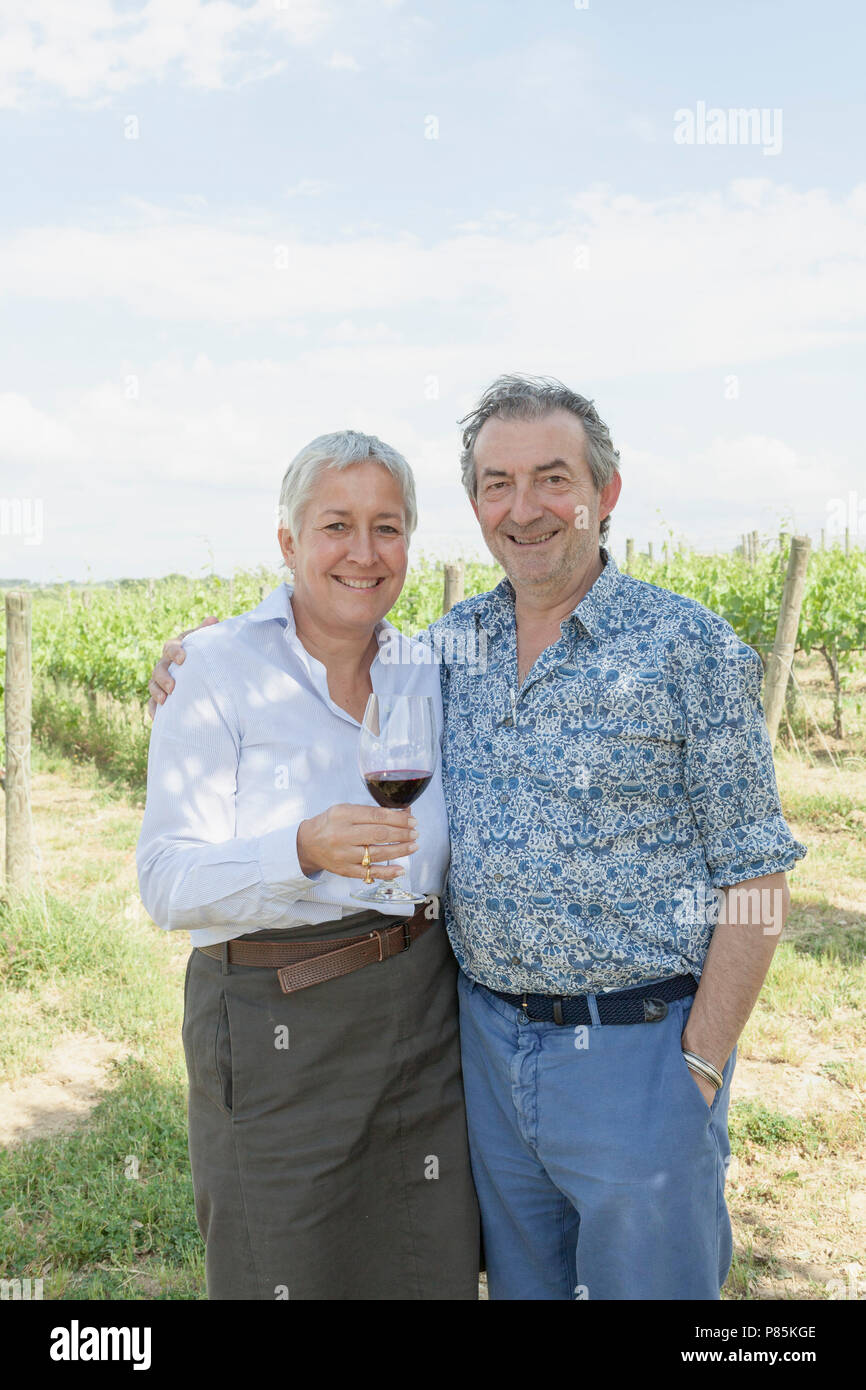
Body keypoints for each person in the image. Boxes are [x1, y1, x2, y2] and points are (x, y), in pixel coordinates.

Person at [149, 375, 807, 1301]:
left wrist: (699, 1064)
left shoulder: (687, 649)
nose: (524, 507)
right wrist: (198, 656)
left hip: (638, 1055)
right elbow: (315, 637)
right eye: (498, 482)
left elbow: (760, 874)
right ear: (474, 505)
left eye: (552, 477)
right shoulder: (445, 650)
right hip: (485, 1056)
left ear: (606, 493)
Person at [137, 430, 480, 1301]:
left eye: (389, 527)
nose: (364, 553)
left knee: (424, 1266)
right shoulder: (213, 671)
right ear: (288, 542)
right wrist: (298, 849)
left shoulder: (427, 668)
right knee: (283, 1270)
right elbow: (167, 882)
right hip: (274, 1023)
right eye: (337, 525)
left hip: (421, 1015)